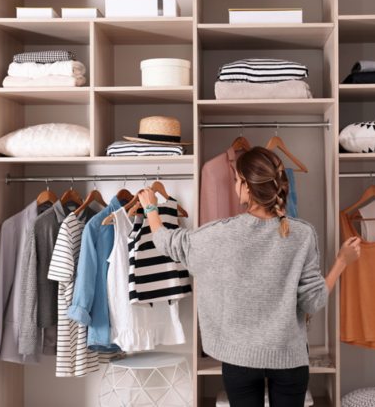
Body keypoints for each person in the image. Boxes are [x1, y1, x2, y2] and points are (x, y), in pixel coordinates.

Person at [140, 146, 360, 407]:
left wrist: (151, 208)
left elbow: (168, 243)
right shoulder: (303, 234)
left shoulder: (219, 234)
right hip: (289, 359)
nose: (235, 185)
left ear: (246, 186)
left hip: (239, 360)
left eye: (236, 180)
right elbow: (312, 302)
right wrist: (341, 262)